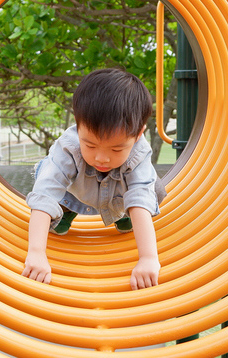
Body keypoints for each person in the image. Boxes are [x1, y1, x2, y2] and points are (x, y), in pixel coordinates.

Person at [22, 67, 165, 290]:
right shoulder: (68, 147)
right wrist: (37, 253)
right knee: (50, 185)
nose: (101, 157)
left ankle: (122, 215)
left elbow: (140, 197)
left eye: (116, 149)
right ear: (78, 126)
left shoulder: (139, 151)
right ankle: (65, 214)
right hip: (73, 193)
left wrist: (148, 258)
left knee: (153, 189)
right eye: (89, 144)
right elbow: (45, 191)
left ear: (138, 135)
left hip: (118, 194)